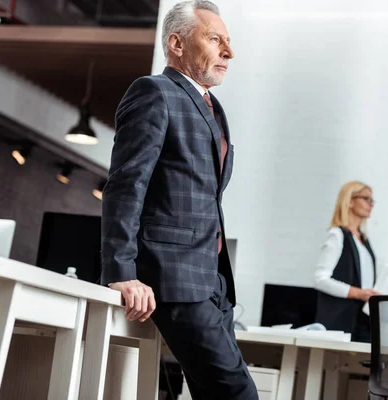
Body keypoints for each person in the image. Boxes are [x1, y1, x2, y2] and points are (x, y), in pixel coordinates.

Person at [100, 1, 257, 399]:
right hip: (174, 276)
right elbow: (126, 184)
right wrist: (121, 271)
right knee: (237, 393)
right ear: (177, 43)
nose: (229, 52)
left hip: (213, 280)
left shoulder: (213, 108)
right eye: (215, 39)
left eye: (229, 42)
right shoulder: (154, 92)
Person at [314, 180, 381, 342]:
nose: (371, 204)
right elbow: (320, 279)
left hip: (362, 321)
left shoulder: (363, 239)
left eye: (372, 200)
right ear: (350, 201)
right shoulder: (337, 235)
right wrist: (359, 293)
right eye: (366, 199)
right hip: (340, 322)